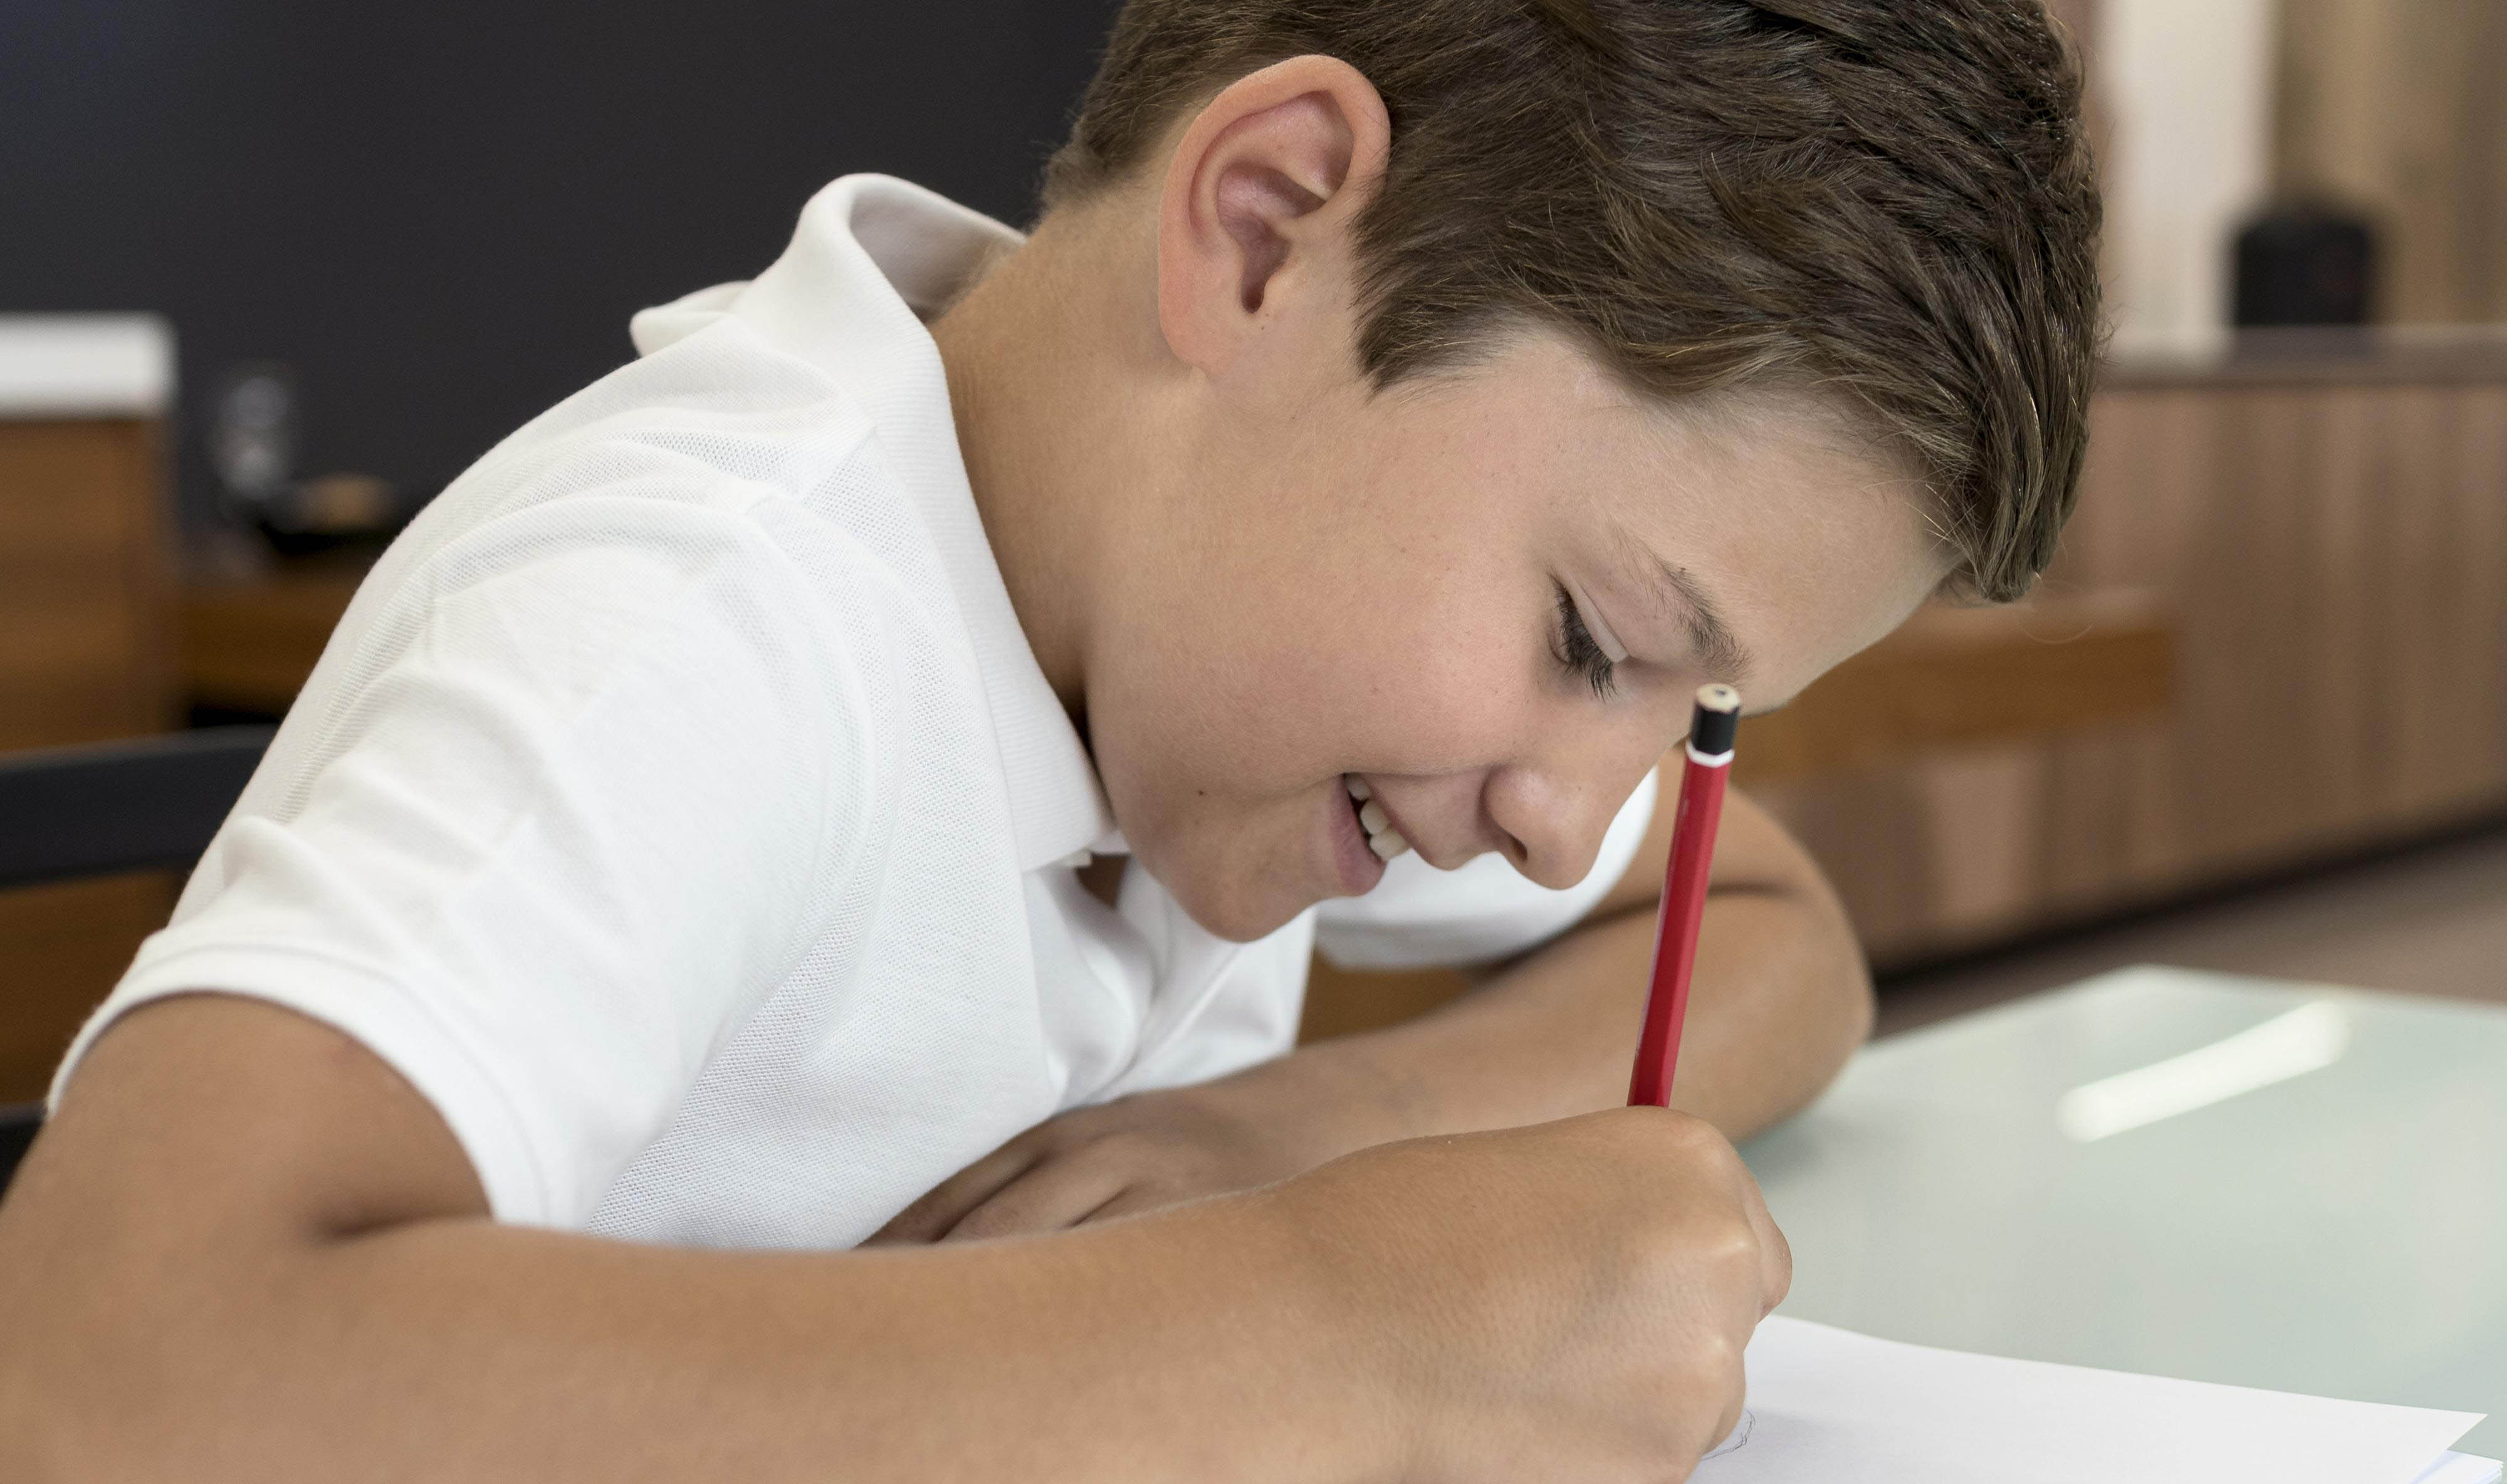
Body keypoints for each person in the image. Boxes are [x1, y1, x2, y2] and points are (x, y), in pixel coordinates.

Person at [0, 0, 2098, 1478]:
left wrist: (1297, 1138)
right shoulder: (702, 616)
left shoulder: (1214, 641)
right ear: (1268, 233)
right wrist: (1335, 1326)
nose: (1572, 834)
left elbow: (1765, 929)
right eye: (1591, 637)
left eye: (1688, 706)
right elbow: (102, 1373)